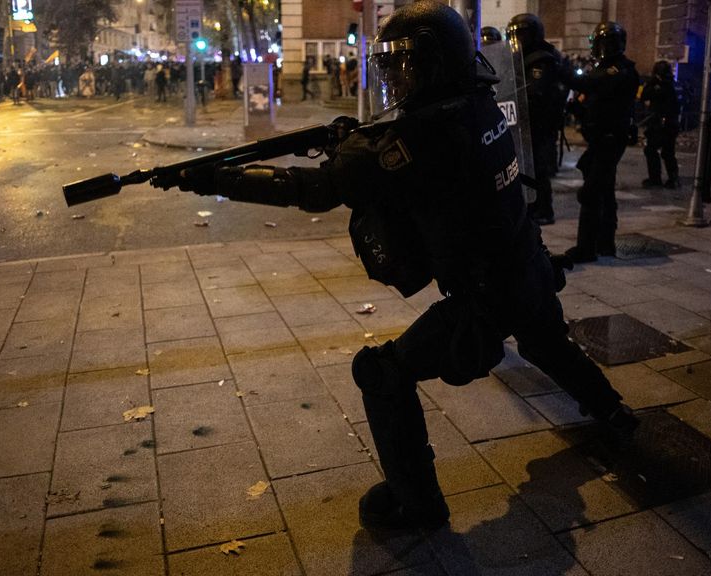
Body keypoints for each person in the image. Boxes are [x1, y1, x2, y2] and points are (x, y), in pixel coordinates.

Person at [176, 1, 638, 531]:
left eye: (405, 65)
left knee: (381, 374)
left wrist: (218, 180)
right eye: (390, 65)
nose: (394, 76)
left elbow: (316, 188)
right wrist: (359, 139)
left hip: (482, 295)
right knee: (545, 341)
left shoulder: (421, 138)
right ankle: (614, 411)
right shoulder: (481, 103)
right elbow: (424, 147)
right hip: (525, 265)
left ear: (436, 64)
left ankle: (417, 506)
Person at [558, 21, 639, 263]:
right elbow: (597, 104)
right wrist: (579, 110)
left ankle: (587, 248)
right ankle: (604, 243)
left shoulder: (619, 70)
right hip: (600, 140)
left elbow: (591, 84)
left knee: (591, 193)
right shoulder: (606, 69)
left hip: (610, 140)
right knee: (603, 191)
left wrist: (562, 69)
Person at [508, 13, 567, 225]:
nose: (517, 40)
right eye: (514, 35)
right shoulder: (517, 58)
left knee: (539, 169)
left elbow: (536, 91)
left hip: (539, 124)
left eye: (522, 34)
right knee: (524, 168)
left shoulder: (541, 58)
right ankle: (529, 206)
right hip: (523, 123)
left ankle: (544, 210)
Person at [640, 60, 680, 189]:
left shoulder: (663, 85)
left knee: (652, 150)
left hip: (661, 123)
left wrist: (653, 82)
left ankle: (656, 179)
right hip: (670, 123)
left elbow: (645, 95)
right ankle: (672, 179)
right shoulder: (671, 84)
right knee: (668, 152)